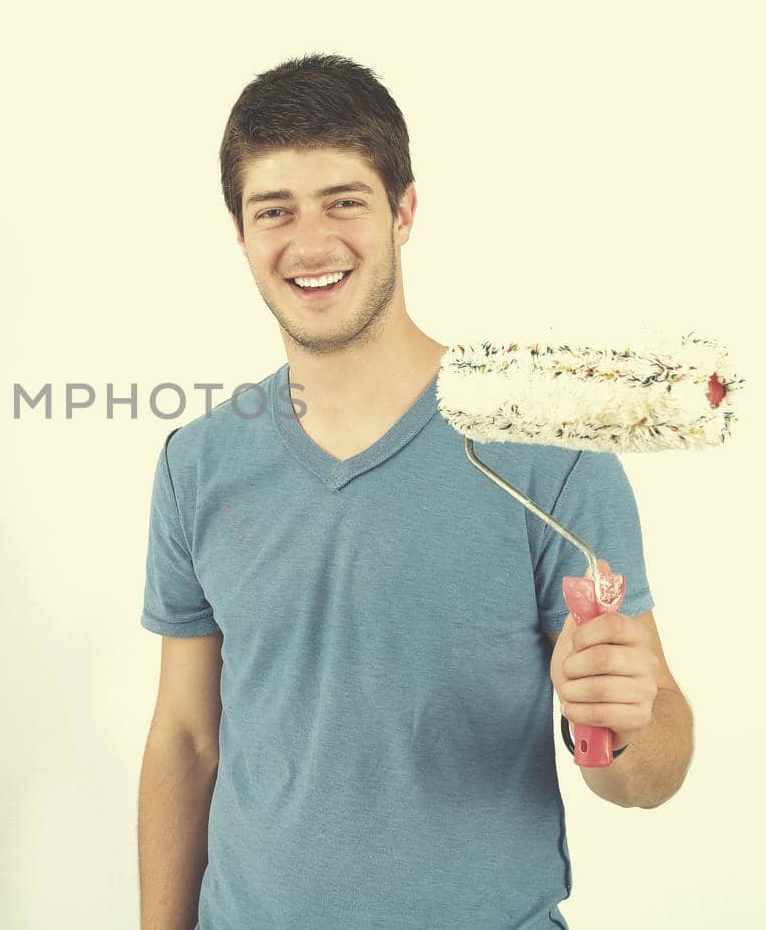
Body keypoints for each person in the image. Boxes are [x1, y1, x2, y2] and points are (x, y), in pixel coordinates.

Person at [136, 54, 694, 929]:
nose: (311, 242)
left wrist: (622, 724)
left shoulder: (548, 456)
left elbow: (649, 770)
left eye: (345, 201)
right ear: (240, 234)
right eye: (274, 210)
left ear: (404, 212)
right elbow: (185, 738)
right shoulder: (197, 464)